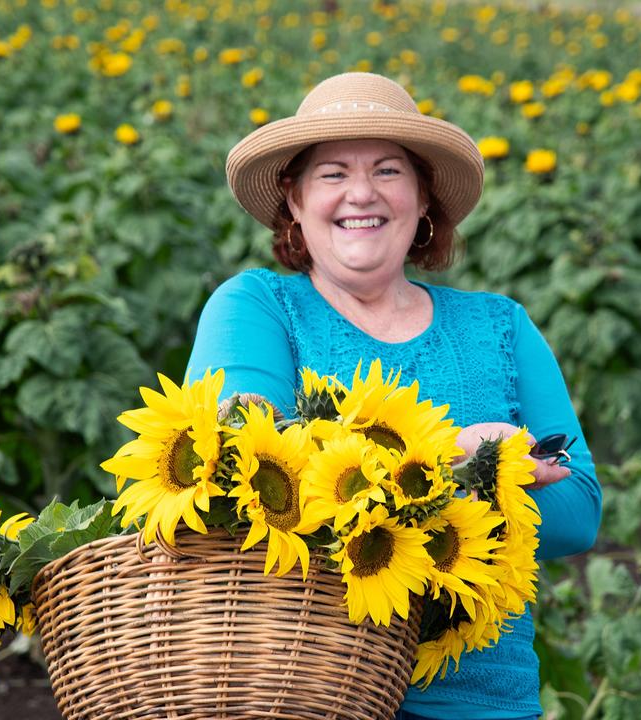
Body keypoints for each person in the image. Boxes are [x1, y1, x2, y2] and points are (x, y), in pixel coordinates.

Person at [187, 72, 602, 720]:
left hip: (483, 698)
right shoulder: (258, 308)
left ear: (422, 196)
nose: (362, 194)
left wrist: (380, 493)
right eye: (331, 174)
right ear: (292, 200)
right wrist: (463, 466)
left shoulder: (499, 325)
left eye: (387, 170)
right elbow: (236, 470)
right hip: (302, 689)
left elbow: (577, 507)